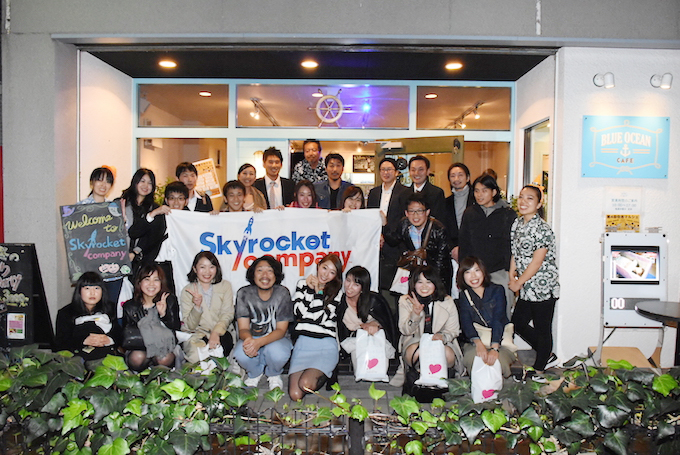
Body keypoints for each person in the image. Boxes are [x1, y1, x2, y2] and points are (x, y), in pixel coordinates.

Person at [509, 185, 560, 373]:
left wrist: (518, 282)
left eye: (529, 198)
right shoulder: (517, 224)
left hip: (542, 286)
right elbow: (515, 252)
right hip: (526, 287)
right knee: (517, 323)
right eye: (521, 197)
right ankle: (546, 354)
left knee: (542, 328)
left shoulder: (542, 229)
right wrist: (511, 272)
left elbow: (537, 262)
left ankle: (539, 368)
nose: (523, 201)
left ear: (539, 204)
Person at [458, 174, 517, 318]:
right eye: (476, 191)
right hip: (475, 271)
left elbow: (511, 245)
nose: (479, 195)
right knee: (476, 312)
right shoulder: (470, 213)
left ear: (494, 192)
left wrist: (510, 271)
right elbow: (464, 243)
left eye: (484, 191)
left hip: (499, 270)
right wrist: (463, 269)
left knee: (502, 311)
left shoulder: (507, 214)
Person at [233, 256, 294, 390]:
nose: (265, 275)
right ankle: (254, 373)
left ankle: (273, 374)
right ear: (253, 274)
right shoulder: (243, 293)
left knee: (277, 353)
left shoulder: (282, 293)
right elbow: (243, 328)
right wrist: (249, 341)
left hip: (277, 339)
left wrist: (259, 343)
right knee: (240, 353)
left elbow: (281, 330)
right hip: (252, 337)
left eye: (270, 271)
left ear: (276, 275)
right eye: (260, 270)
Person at [288, 254, 343, 400]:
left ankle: (328, 373)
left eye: (332, 272)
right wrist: (310, 289)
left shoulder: (336, 291)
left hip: (325, 344)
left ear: (336, 276)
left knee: (306, 384)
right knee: (295, 395)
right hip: (303, 344)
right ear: (318, 266)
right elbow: (298, 312)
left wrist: (318, 291)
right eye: (324, 268)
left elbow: (319, 318)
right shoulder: (302, 284)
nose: (326, 274)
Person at [457, 257, 516, 378]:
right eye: (468, 272)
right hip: (475, 340)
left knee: (499, 362)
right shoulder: (464, 295)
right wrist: (478, 343)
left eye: (477, 270)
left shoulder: (497, 290)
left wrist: (494, 348)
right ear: (462, 276)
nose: (473, 276)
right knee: (473, 360)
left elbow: (498, 319)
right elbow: (466, 322)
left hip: (500, 340)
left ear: (483, 271)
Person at [382, 193, 454, 292]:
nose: (415, 215)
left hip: (433, 275)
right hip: (414, 274)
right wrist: (384, 225)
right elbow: (393, 241)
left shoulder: (438, 229)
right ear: (406, 213)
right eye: (411, 211)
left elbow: (441, 262)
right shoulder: (404, 224)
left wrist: (436, 285)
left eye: (420, 211)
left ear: (427, 212)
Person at [127, 180, 189, 293]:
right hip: (155, 266)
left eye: (180, 198)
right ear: (166, 200)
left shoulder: (190, 220)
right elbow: (133, 233)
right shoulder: (158, 216)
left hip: (180, 267)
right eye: (172, 198)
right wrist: (152, 214)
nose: (176, 202)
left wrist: (213, 216)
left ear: (186, 201)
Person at [398, 266, 461, 371]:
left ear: (435, 284)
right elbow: (405, 330)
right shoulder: (406, 300)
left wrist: (442, 337)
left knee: (446, 353)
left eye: (428, 282)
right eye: (420, 282)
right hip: (415, 341)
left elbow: (453, 330)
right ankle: (419, 375)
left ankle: (442, 375)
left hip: (442, 341)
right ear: (414, 284)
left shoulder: (447, 301)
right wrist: (415, 314)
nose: (424, 286)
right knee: (418, 352)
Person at [337, 266, 398, 373]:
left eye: (356, 284)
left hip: (376, 338)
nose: (349, 287)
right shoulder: (340, 302)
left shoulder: (374, 300)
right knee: (359, 353)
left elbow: (388, 323)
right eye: (348, 280)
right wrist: (361, 329)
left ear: (363, 287)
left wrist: (376, 324)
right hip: (354, 341)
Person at [122, 264, 181, 371]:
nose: (151, 284)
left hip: (164, 345)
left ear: (161, 282)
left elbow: (176, 328)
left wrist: (163, 315)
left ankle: (162, 379)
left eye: (156, 280)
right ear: (139, 282)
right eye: (147, 279)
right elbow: (128, 335)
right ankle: (140, 378)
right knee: (137, 358)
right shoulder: (130, 306)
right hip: (140, 346)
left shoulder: (169, 300)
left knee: (164, 358)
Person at [180, 251, 235, 364]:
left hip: (222, 332)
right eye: (202, 267)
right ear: (195, 269)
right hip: (197, 334)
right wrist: (197, 307)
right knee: (197, 357)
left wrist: (216, 332)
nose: (207, 272)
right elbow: (190, 325)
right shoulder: (188, 290)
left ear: (216, 269)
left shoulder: (225, 286)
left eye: (211, 267)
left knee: (221, 357)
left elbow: (227, 314)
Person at [54, 271, 121, 361]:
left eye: (97, 288)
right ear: (79, 291)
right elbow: (60, 344)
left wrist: (108, 339)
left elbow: (119, 334)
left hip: (106, 357)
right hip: (77, 358)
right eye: (87, 288)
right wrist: (83, 341)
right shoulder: (65, 313)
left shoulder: (110, 308)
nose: (92, 293)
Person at [367, 157, 410, 295]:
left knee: (396, 287)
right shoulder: (374, 193)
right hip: (376, 243)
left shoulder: (405, 192)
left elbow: (404, 219)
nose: (386, 173)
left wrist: (387, 232)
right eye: (383, 170)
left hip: (396, 244)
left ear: (396, 172)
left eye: (389, 169)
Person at [120, 168, 161, 276]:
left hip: (142, 262)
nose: (146, 185)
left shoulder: (155, 209)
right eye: (142, 181)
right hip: (119, 256)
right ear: (135, 182)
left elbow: (152, 237)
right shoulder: (121, 204)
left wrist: (136, 252)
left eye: (150, 183)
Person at [407, 155, 451, 229]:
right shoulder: (404, 193)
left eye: (421, 169)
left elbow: (440, 220)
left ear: (428, 171)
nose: (416, 173)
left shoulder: (436, 193)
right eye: (413, 170)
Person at [445, 163, 475, 260]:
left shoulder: (477, 199)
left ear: (468, 178)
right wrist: (453, 248)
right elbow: (444, 228)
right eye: (452, 176)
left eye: (460, 175)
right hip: (453, 251)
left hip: (474, 248)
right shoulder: (446, 202)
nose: (456, 179)